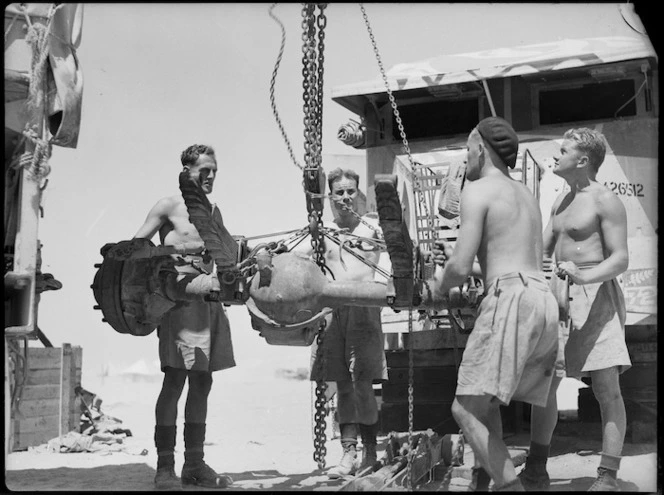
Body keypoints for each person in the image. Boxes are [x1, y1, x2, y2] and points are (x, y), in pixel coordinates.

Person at [432, 117, 558, 491]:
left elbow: (457, 266)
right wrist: (467, 268)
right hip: (541, 298)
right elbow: (506, 254)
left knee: (465, 408)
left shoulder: (479, 189)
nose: (465, 157)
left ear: (481, 148)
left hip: (510, 298)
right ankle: (487, 483)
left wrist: (439, 281)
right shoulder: (524, 195)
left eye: (467, 149)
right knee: (486, 405)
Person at [517, 128, 631, 492]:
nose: (556, 154)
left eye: (563, 150)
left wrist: (584, 278)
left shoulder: (605, 200)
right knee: (544, 387)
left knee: (606, 389)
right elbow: (536, 252)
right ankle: (536, 468)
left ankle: (608, 476)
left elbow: (620, 259)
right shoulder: (560, 203)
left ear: (582, 160)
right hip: (559, 298)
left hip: (597, 299)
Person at [133, 144, 235, 490]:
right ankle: (165, 468)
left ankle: (194, 464)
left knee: (203, 383)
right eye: (203, 170)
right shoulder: (168, 206)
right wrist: (180, 250)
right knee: (175, 380)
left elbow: (229, 250)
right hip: (177, 305)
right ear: (186, 170)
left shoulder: (213, 209)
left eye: (214, 171)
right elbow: (135, 247)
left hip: (209, 303)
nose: (209, 177)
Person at [308, 168, 388, 479]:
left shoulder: (372, 230)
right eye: (339, 192)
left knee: (363, 385)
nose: (345, 197)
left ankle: (369, 452)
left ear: (358, 194)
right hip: (332, 314)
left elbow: (379, 267)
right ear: (330, 197)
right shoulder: (322, 231)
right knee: (341, 386)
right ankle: (348, 452)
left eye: (350, 191)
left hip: (363, 310)